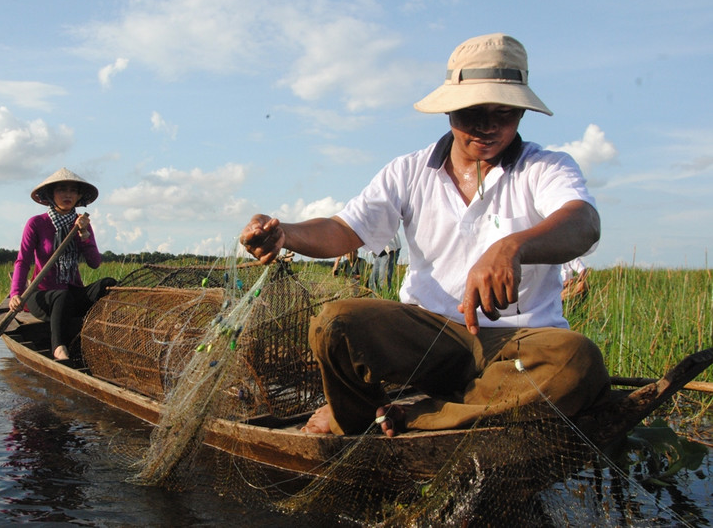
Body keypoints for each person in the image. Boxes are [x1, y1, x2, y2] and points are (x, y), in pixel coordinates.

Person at [240, 33, 610, 436]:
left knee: (579, 362)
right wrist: (284, 234)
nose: (487, 126)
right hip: (429, 338)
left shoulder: (546, 167)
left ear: (520, 114)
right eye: (473, 113)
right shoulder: (409, 171)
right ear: (450, 112)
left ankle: (421, 413)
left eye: (503, 113)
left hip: (520, 344)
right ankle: (358, 412)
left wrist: (512, 246)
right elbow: (345, 229)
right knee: (334, 323)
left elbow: (584, 223)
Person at [9, 168, 117, 361]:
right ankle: (59, 347)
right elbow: (23, 260)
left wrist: (84, 234)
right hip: (42, 296)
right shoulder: (36, 223)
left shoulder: (81, 224)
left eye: (73, 191)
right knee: (62, 295)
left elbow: (94, 262)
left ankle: (101, 335)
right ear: (51, 194)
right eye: (62, 190)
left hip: (71, 293)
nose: (68, 194)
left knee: (108, 283)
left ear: (78, 196)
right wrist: (16, 294)